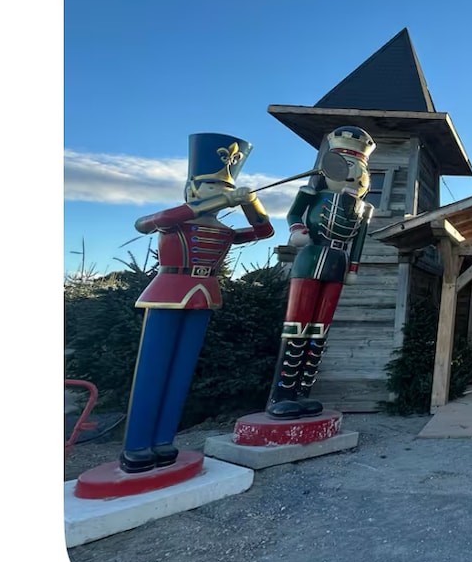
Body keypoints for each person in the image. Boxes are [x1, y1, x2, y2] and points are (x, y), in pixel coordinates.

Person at [120, 133, 274, 473]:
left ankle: (163, 440)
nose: (220, 193)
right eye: (212, 187)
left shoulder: (224, 232)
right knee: (152, 369)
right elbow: (145, 223)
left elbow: (263, 233)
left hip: (205, 294)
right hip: (169, 291)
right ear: (192, 189)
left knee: (181, 370)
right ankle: (136, 445)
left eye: (225, 188)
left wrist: (251, 203)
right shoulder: (174, 222)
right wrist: (211, 204)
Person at [266, 126, 376, 419]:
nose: (354, 173)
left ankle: (303, 391)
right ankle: (282, 393)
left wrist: (353, 268)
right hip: (311, 257)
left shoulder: (362, 209)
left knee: (320, 327)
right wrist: (297, 230)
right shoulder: (312, 194)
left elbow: (358, 241)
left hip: (338, 262)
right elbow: (294, 214)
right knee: (297, 324)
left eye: (360, 168)